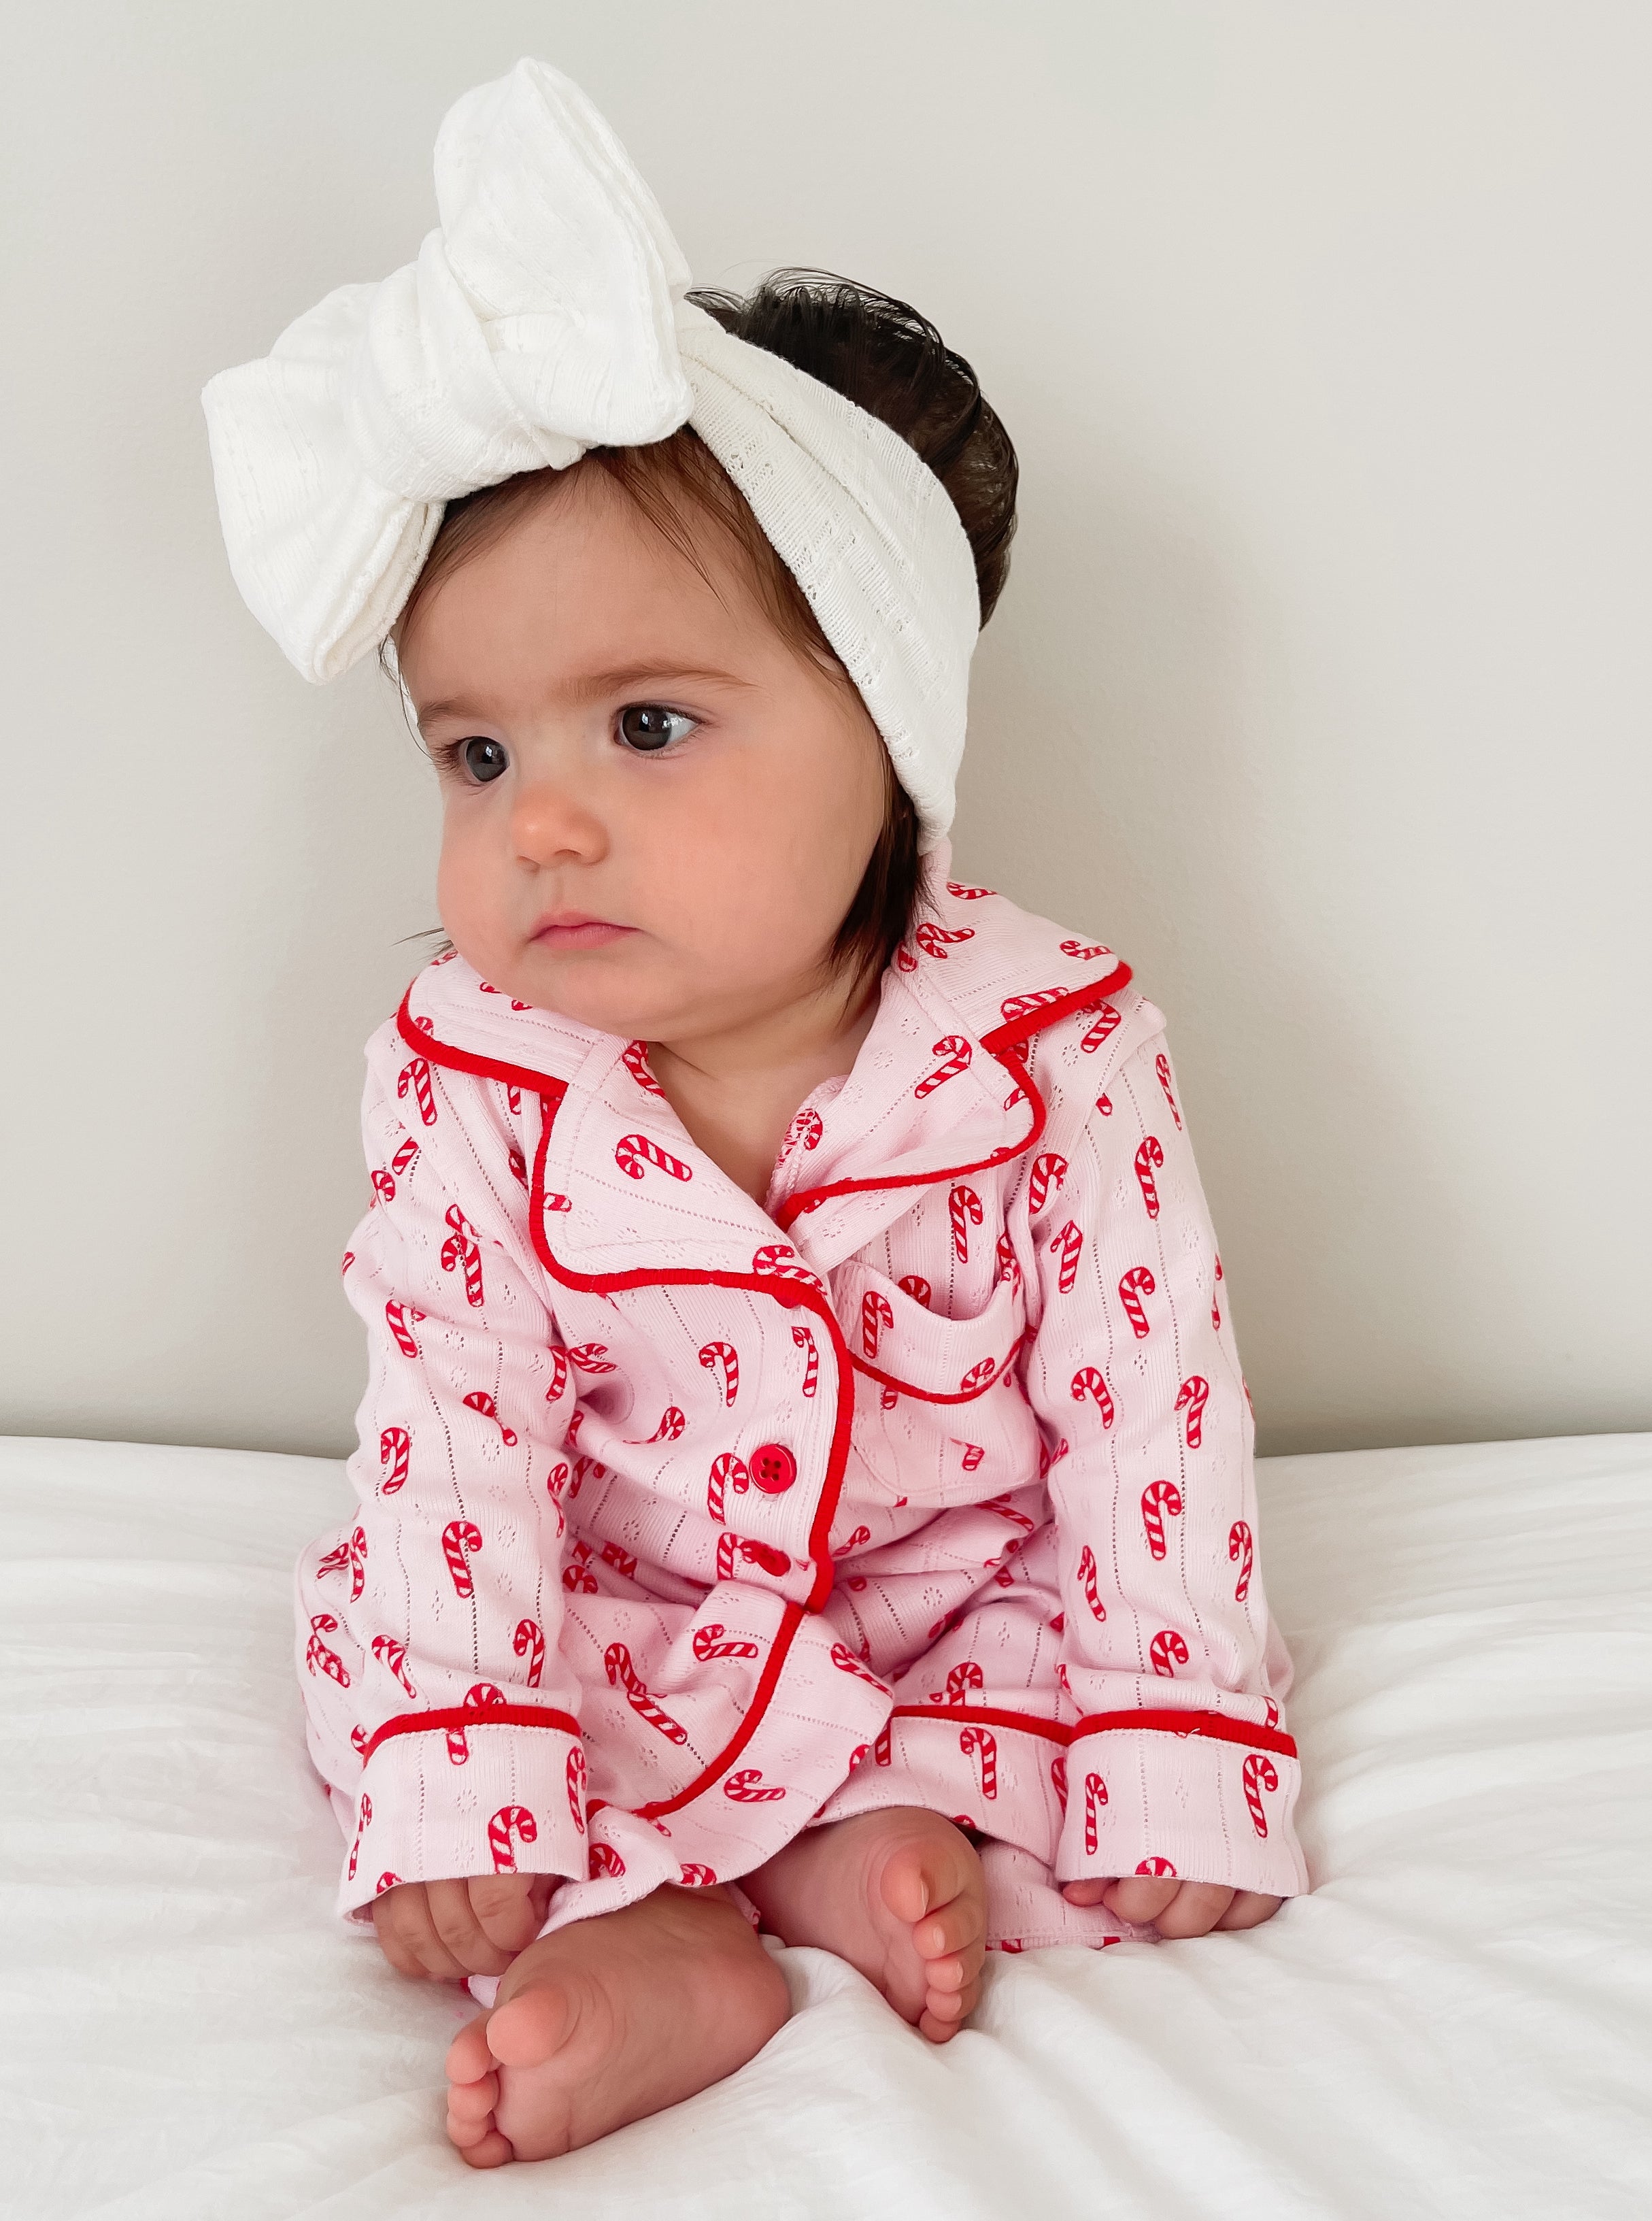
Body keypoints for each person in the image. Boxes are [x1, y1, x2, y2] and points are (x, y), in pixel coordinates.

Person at [203, 58, 1307, 2169]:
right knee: (415, 1675)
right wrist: (464, 1759)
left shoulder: (1054, 1047)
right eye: (475, 757)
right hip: (612, 1602)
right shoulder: (476, 1081)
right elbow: (455, 1434)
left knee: (1033, 1698)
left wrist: (1183, 1718)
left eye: (644, 723)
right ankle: (664, 1936)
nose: (547, 825)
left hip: (934, 1598)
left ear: (888, 737)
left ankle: (844, 1836)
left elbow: (1155, 1411)